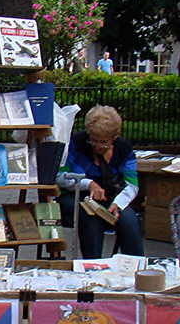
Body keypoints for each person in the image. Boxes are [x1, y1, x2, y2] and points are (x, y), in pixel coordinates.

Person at [57, 105, 143, 258]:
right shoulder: (76, 143)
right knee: (91, 219)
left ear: (115, 137)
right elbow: (60, 176)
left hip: (111, 198)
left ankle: (134, 268)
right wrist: (88, 184)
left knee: (129, 221)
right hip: (76, 196)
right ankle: (92, 266)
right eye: (93, 141)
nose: (97, 147)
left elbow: (132, 184)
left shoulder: (124, 149)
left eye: (103, 142)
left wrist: (119, 203)